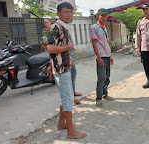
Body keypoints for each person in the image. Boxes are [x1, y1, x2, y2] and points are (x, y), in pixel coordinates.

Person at [47, 2, 87, 139]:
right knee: (69, 99)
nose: (69, 14)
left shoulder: (64, 27)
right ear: (58, 14)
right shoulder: (56, 27)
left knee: (66, 97)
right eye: (66, 12)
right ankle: (71, 131)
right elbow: (50, 48)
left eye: (71, 12)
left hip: (65, 67)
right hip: (61, 69)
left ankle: (61, 124)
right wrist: (68, 47)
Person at [90, 8, 114, 107]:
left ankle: (105, 95)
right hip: (101, 57)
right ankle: (98, 99)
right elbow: (94, 45)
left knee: (107, 77)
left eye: (106, 16)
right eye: (102, 15)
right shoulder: (93, 28)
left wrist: (110, 56)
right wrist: (99, 58)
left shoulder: (104, 28)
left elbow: (106, 43)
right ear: (98, 16)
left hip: (107, 56)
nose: (104, 18)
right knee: (101, 78)